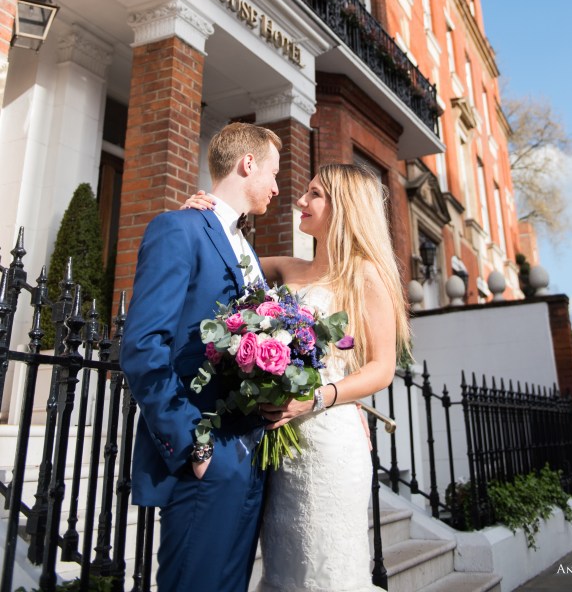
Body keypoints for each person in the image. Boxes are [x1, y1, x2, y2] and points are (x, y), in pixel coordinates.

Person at [184, 163, 411, 592]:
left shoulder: (365, 275)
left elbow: (381, 368)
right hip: (280, 449)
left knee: (326, 574)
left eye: (315, 194)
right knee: (284, 571)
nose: (300, 202)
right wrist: (202, 215)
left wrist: (315, 399)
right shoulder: (289, 268)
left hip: (330, 443)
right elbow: (225, 262)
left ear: (344, 207)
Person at [120, 121, 282, 592]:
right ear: (247, 163)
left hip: (251, 458)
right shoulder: (179, 228)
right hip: (207, 455)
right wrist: (195, 445)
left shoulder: (247, 248)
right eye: (272, 172)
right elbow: (143, 347)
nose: (276, 187)